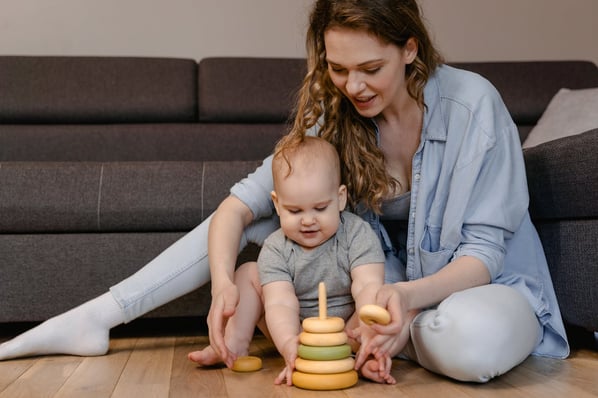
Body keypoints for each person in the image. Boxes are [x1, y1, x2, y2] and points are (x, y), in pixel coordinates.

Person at [0, 0, 569, 384]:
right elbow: (238, 207)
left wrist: (403, 301)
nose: (354, 86)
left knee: (468, 343)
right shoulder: (335, 108)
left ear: (411, 49)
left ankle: (369, 334)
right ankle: (100, 315)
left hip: (480, 286)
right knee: (288, 206)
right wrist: (226, 284)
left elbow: (484, 256)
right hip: (385, 288)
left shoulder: (474, 104)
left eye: (370, 67)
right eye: (339, 69)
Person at [188, 134, 392, 384]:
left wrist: (366, 329)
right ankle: (233, 345)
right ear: (277, 203)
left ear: (340, 198)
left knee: (381, 298)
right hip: (294, 331)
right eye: (294, 211)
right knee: (247, 273)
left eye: (320, 208)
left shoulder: (358, 234)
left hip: (346, 332)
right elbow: (280, 303)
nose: (307, 220)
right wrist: (289, 345)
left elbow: (368, 285)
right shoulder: (276, 248)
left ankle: (364, 355)